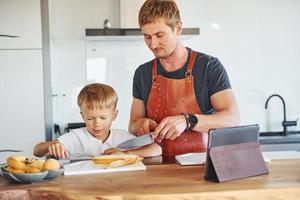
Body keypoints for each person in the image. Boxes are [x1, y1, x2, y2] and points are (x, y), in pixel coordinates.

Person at [129, 0, 240, 156]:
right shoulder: (142, 73)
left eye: (159, 35)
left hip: (201, 166)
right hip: (155, 169)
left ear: (178, 28)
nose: (153, 44)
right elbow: (133, 124)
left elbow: (232, 119)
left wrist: (188, 121)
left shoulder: (208, 66)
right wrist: (141, 125)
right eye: (147, 37)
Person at [34, 83, 162, 159]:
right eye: (90, 118)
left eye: (103, 118)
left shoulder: (122, 137)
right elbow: (37, 150)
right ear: (82, 116)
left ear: (114, 115)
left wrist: (126, 153)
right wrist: (51, 146)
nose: (97, 124)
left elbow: (157, 149)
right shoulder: (77, 137)